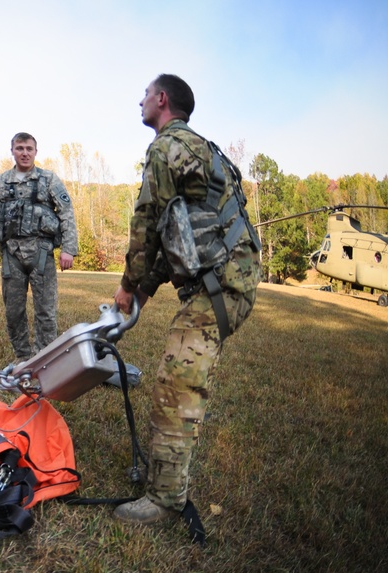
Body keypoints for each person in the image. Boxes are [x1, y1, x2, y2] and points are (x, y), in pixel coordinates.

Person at [112, 74, 262, 524]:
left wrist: (127, 284)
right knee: (174, 381)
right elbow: (173, 234)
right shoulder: (199, 147)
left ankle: (165, 501)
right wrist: (145, 288)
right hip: (229, 281)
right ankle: (163, 479)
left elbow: (146, 224)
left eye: (144, 94)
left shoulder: (165, 148)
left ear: (161, 100)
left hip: (221, 285)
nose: (138, 101)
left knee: (176, 388)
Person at [0, 132, 78, 361]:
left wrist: (68, 249)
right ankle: (23, 359)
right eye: (20, 148)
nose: (24, 153)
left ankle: (44, 359)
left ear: (36, 151)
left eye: (29, 149)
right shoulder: (2, 182)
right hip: (11, 254)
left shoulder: (49, 179)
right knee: (13, 312)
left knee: (46, 312)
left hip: (41, 254)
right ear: (12, 151)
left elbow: (66, 213)